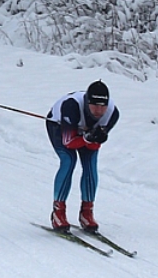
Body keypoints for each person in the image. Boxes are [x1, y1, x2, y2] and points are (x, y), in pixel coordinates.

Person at [46, 80, 119, 232]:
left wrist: (93, 138)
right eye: (95, 106)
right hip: (59, 126)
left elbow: (94, 145)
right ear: (86, 103)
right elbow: (68, 142)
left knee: (90, 164)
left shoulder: (112, 114)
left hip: (82, 131)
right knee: (69, 160)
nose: (99, 110)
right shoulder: (71, 106)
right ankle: (58, 211)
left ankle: (87, 211)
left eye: (103, 106)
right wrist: (88, 137)